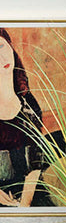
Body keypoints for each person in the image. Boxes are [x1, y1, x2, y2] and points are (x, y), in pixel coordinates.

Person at [0, 29, 54, 207]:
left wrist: (24, 206)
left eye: (1, 46)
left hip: (29, 198)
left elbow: (35, 164)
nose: (2, 57)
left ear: (10, 47)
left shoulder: (28, 103)